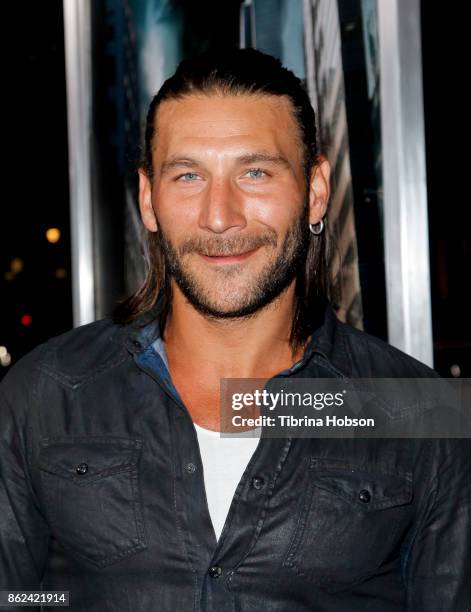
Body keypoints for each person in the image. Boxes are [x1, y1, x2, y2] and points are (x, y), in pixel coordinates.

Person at [0, 49, 469, 612]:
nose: (220, 216)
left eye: (255, 172)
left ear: (315, 190)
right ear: (150, 199)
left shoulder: (418, 413)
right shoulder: (44, 393)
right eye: (189, 175)